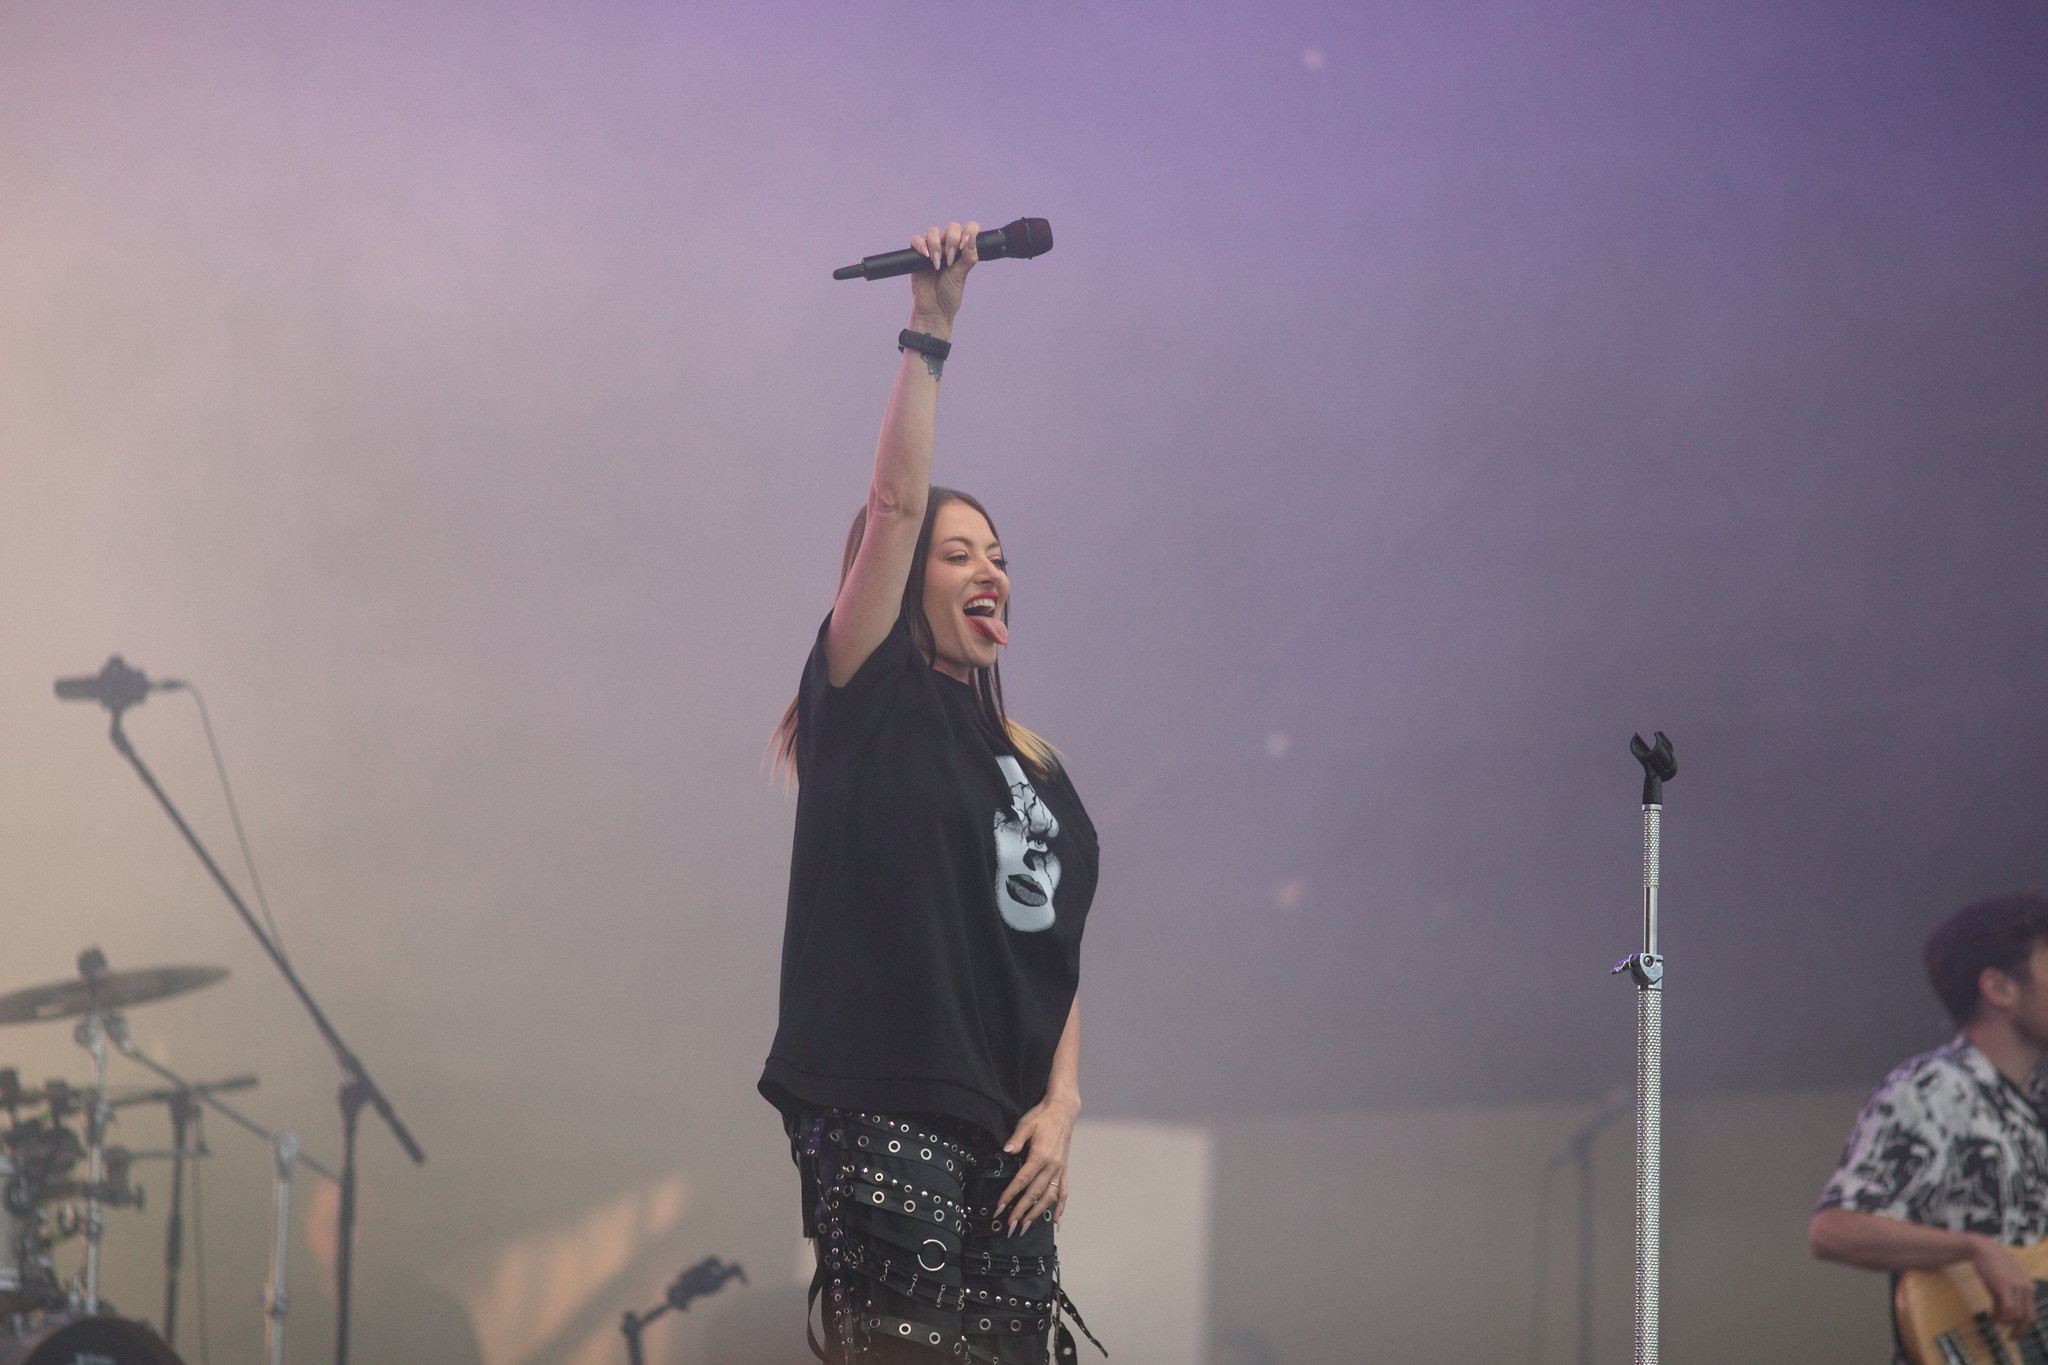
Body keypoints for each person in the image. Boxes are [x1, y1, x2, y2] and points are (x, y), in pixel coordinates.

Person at [760, 220, 1102, 1365]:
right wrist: (929, 327)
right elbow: (896, 505)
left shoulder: (1034, 765)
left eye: (996, 554)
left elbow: (1048, 946)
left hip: (1010, 1140)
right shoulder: (870, 698)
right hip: (886, 1100)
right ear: (901, 582)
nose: (987, 567)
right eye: (959, 555)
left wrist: (1060, 1107)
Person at [1810, 892, 2048, 1351]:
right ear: (1999, 988)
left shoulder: (2034, 1105)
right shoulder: (1933, 1089)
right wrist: (1973, 1249)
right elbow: (1835, 1228)